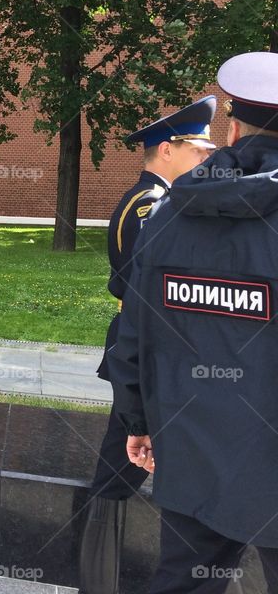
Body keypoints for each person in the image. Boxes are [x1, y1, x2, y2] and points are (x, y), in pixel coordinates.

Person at [109, 51, 278, 594]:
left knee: (184, 582)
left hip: (191, 446)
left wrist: (137, 421)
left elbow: (133, 334)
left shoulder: (169, 214)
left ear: (233, 128)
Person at [79, 97, 217, 594]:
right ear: (167, 148)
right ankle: (96, 581)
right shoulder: (151, 205)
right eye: (198, 148)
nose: (207, 158)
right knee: (117, 474)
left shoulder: (155, 200)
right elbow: (143, 291)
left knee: (121, 468)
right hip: (148, 356)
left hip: (148, 356)